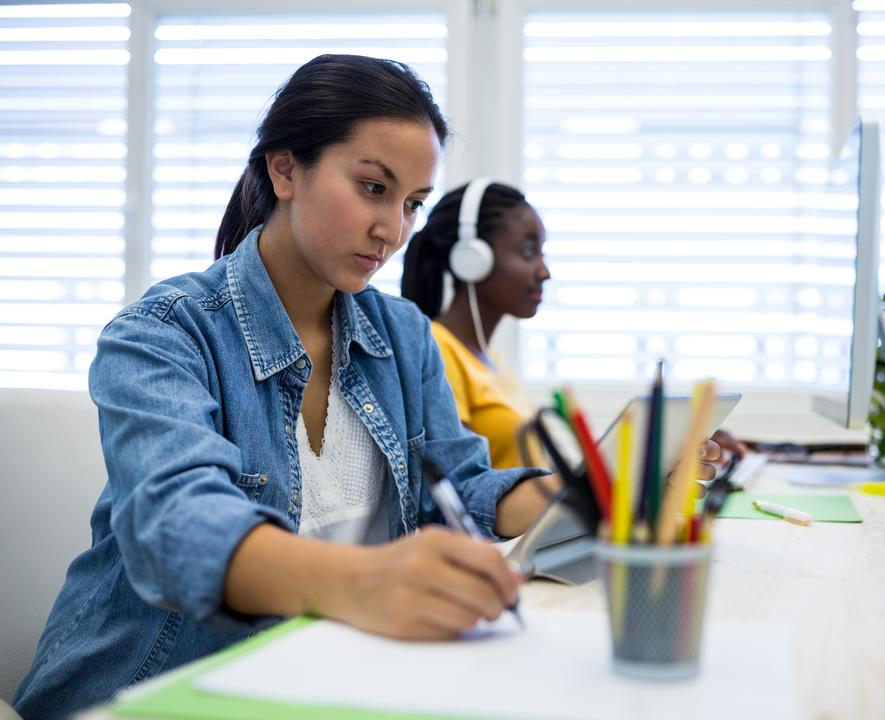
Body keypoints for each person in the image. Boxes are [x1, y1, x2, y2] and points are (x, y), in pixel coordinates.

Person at [13, 55, 552, 720]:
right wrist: (368, 581)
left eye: (412, 203)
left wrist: (575, 498)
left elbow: (461, 485)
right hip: (147, 693)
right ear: (285, 168)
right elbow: (179, 528)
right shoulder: (159, 334)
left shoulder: (404, 335)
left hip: (321, 684)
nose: (394, 230)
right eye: (373, 188)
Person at [401, 180, 748, 473]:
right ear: (472, 258)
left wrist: (664, 456)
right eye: (527, 252)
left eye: (543, 253)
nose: (544, 271)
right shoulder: (439, 350)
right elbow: (458, 480)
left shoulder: (489, 359)